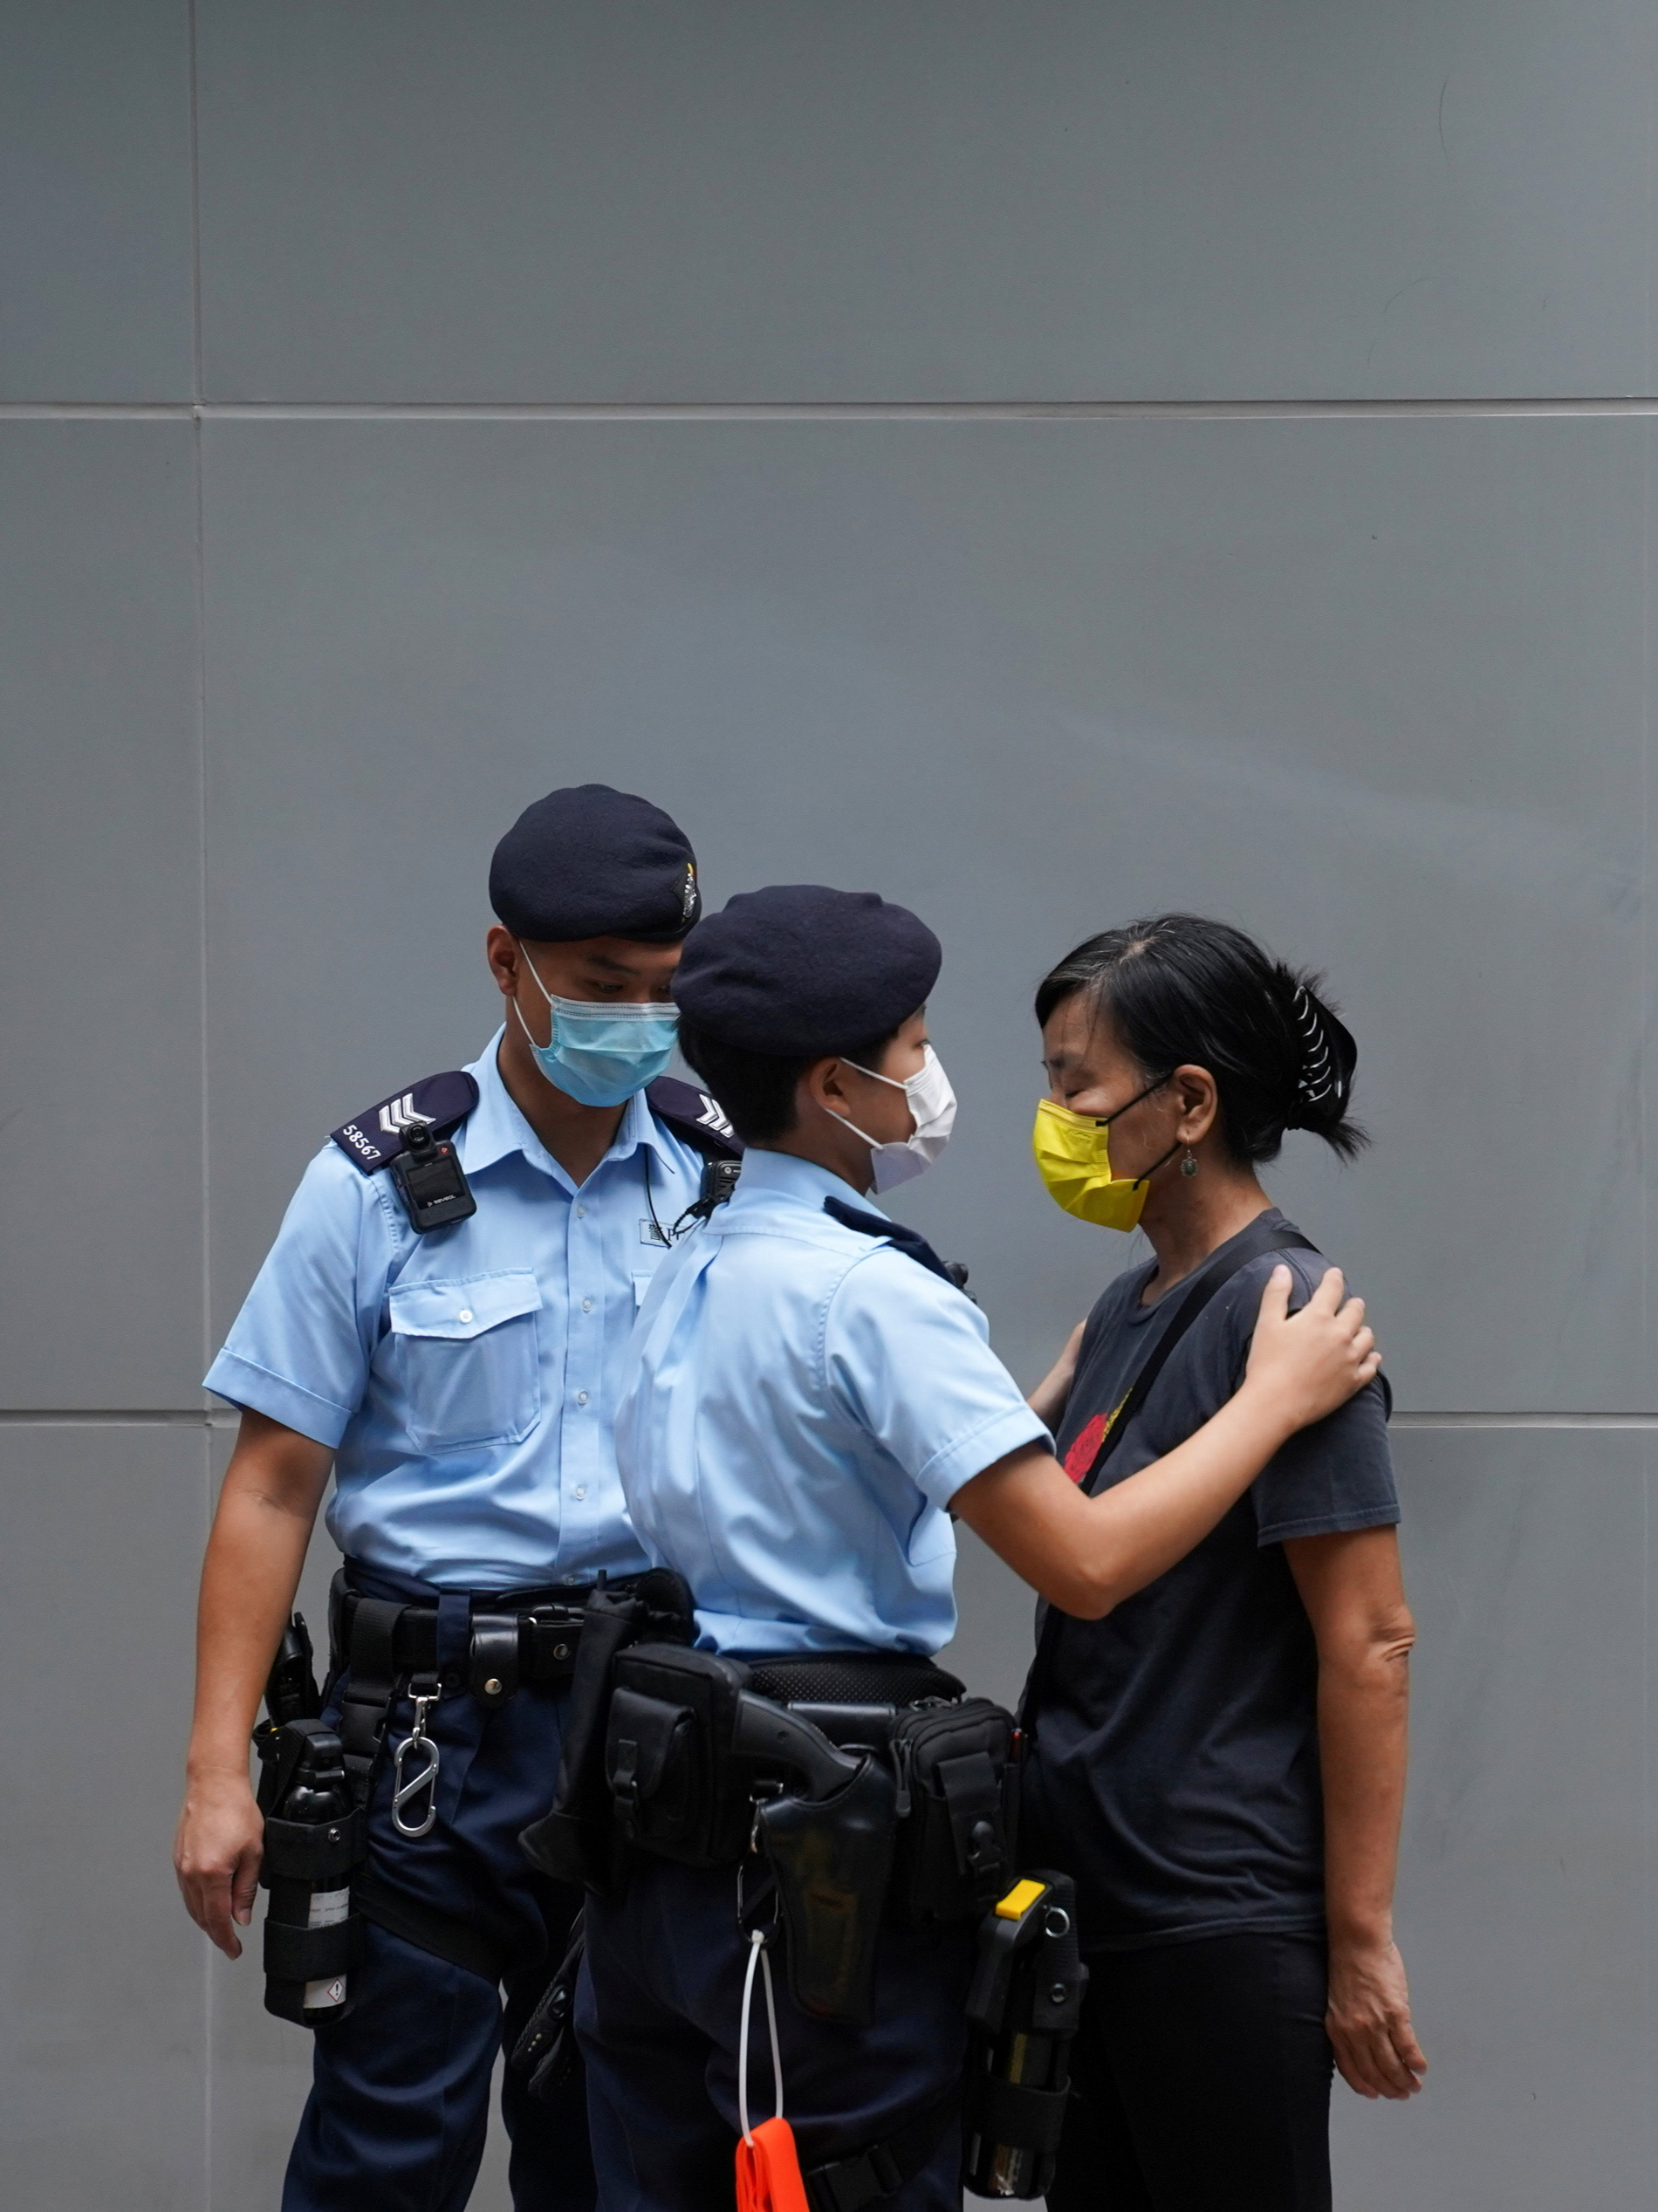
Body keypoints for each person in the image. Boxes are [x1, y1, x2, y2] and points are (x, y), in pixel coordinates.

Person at [576, 883, 1384, 2212]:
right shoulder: (875, 1291)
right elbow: (1084, 1561)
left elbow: (802, 1477)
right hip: (820, 1848)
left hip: (665, 1829)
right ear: (836, 1084)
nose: (933, 1080)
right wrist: (1272, 1400)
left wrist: (1030, 1403)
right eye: (910, 1049)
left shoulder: (682, 1259)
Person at [175, 784, 730, 2212]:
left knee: (620, 2157)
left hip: (645, 1737)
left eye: (667, 991)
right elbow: (272, 1485)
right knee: (386, 2150)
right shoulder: (371, 1184)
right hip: (427, 1749)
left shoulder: (718, 1174)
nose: (641, 1021)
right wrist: (214, 1770)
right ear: (507, 963)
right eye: (605, 988)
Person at [1015, 915, 1426, 2212]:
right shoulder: (1126, 1309)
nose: (1059, 1115)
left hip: (1214, 1917)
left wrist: (1359, 1941)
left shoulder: (1289, 1314)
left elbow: (1370, 1641)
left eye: (1078, 1081)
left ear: (1187, 1100)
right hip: (1090, 1908)